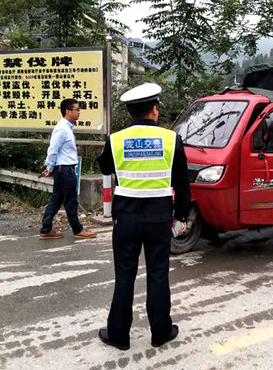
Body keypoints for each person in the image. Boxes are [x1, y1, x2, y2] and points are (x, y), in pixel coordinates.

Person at [96, 83, 191, 350]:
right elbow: (183, 183)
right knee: (158, 275)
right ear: (155, 110)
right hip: (160, 219)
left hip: (126, 219)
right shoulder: (171, 140)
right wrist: (181, 217)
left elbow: (104, 165)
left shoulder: (115, 140)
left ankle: (118, 335)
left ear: (129, 114)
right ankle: (160, 332)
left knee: (124, 276)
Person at [38, 98, 97, 240]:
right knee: (70, 200)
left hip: (64, 168)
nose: (79, 113)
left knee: (57, 199)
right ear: (68, 111)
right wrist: (49, 167)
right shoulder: (61, 128)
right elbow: (53, 149)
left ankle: (46, 229)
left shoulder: (68, 127)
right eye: (77, 110)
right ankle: (78, 230)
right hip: (64, 169)